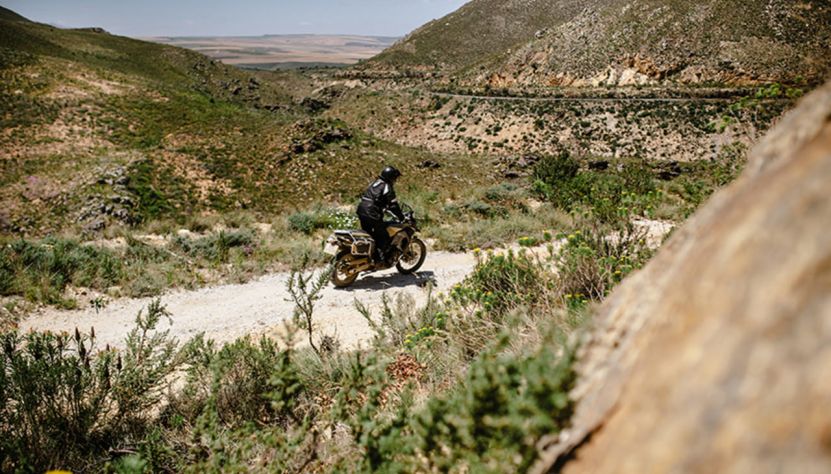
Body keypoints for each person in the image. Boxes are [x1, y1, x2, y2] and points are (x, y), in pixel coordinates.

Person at [357, 166, 405, 263]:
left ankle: (365, 257)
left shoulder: (375, 183)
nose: (395, 180)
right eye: (395, 178)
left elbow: (374, 197)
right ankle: (379, 260)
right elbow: (393, 205)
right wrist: (401, 217)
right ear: (391, 177)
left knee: (369, 235)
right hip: (372, 212)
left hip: (362, 210)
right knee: (383, 236)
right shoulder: (387, 186)